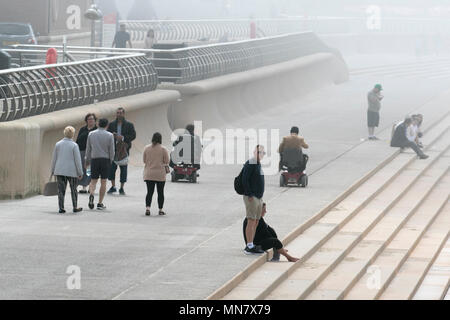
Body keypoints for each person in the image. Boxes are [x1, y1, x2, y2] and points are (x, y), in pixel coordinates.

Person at [50, 126, 83, 214]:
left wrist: (52, 170)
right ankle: (75, 206)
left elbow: (54, 158)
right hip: (72, 171)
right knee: (73, 189)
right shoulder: (74, 145)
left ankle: (61, 207)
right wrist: (80, 172)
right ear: (73, 134)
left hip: (60, 170)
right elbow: (77, 160)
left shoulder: (58, 144)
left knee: (61, 190)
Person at [85, 118, 115, 210]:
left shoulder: (91, 134)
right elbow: (112, 150)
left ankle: (91, 194)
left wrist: (87, 160)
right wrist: (111, 160)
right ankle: (100, 202)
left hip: (94, 159)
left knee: (93, 180)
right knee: (103, 181)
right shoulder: (110, 135)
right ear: (107, 125)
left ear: (98, 124)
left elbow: (88, 149)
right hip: (105, 159)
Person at [242, 145, 266, 255]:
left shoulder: (258, 164)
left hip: (259, 197)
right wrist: (249, 194)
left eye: (262, 153)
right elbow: (245, 179)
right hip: (252, 197)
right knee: (251, 220)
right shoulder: (251, 163)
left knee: (256, 221)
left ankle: (252, 243)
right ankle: (249, 246)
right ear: (254, 152)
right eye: (259, 152)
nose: (260, 154)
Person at [107, 107, 136, 195]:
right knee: (112, 169)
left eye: (120, 113)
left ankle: (122, 187)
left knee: (123, 169)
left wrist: (122, 138)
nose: (119, 114)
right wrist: (112, 135)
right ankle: (113, 186)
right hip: (113, 149)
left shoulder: (129, 125)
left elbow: (133, 135)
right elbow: (107, 134)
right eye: (117, 113)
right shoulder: (112, 124)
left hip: (124, 149)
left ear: (123, 114)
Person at [143, 132, 170, 216]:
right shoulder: (163, 149)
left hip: (149, 174)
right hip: (160, 175)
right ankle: (160, 209)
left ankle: (147, 208)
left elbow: (144, 160)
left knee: (149, 192)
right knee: (160, 192)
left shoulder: (147, 148)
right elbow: (167, 161)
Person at [76, 113, 97, 194]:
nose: (90, 121)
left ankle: (87, 186)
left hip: (91, 153)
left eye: (92, 119)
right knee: (81, 169)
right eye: (89, 119)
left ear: (95, 121)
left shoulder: (96, 130)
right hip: (81, 151)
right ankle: (78, 184)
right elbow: (77, 140)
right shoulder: (82, 129)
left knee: (89, 170)